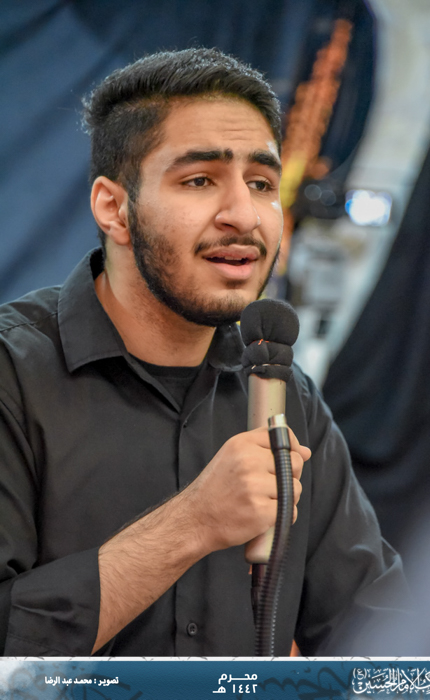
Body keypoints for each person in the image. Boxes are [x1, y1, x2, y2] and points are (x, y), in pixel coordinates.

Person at [0, 48, 408, 657]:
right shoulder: (14, 373)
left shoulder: (282, 392)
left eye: (261, 184)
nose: (243, 215)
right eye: (199, 180)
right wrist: (191, 523)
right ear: (114, 208)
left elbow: (384, 639)